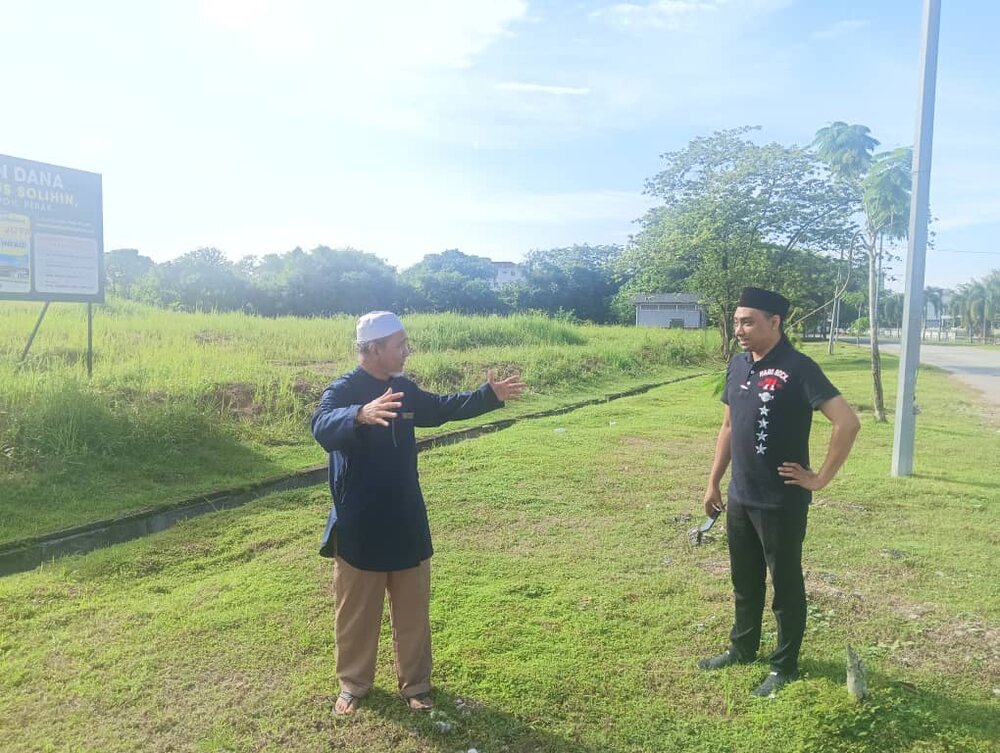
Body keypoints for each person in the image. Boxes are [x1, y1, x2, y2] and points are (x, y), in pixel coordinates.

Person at [311, 311, 526, 715]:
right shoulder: (344, 389)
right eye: (399, 345)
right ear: (373, 349)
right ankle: (354, 685)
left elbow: (440, 408)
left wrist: (487, 396)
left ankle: (416, 685)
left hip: (406, 518)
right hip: (360, 524)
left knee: (412, 611)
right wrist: (358, 414)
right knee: (356, 614)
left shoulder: (403, 388)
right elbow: (321, 426)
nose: (407, 351)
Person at [698, 287, 861, 697]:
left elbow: (847, 422)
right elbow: (729, 427)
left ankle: (784, 665)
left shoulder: (799, 367)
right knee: (744, 581)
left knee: (785, 585)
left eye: (748, 321)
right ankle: (742, 648)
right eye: (736, 321)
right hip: (741, 495)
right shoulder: (737, 366)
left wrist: (819, 478)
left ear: (775, 322)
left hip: (781, 500)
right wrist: (713, 480)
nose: (740, 329)